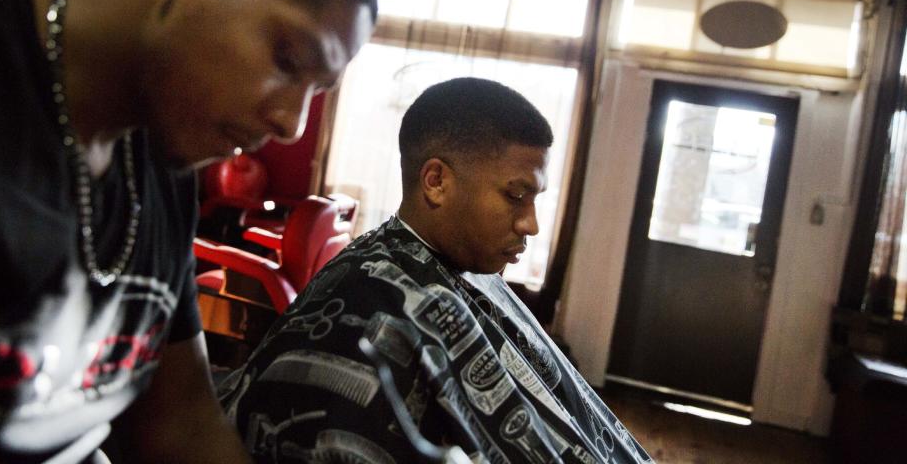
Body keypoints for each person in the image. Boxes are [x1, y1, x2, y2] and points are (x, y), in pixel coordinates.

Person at [0, 0, 376, 463]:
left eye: (317, 91)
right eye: (287, 57)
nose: (292, 124)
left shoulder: (157, 161)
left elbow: (178, 425)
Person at [220, 78, 652, 463]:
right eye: (516, 195)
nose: (531, 224)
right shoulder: (367, 317)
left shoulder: (474, 271)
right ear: (436, 181)